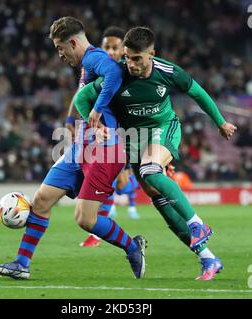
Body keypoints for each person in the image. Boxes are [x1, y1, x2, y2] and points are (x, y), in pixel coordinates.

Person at [0, 17, 146, 280]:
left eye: (61, 48)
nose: (60, 55)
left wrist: (97, 109)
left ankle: (132, 247)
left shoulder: (94, 58)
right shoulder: (87, 65)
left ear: (73, 42)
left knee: (85, 220)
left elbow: (115, 74)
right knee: (41, 200)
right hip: (80, 147)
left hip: (105, 148)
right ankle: (22, 263)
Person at [73, 27, 237, 280]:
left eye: (137, 58)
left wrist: (221, 123)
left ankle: (197, 223)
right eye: (127, 57)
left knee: (151, 171)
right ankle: (208, 258)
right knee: (158, 199)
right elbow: (82, 97)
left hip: (163, 128)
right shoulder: (117, 74)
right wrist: (95, 125)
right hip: (134, 140)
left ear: (152, 55)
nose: (131, 64)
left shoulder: (168, 72)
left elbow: (198, 93)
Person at [77, 26, 141, 248]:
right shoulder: (94, 69)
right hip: (102, 136)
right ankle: (97, 231)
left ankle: (140, 184)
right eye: (107, 47)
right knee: (107, 182)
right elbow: (80, 96)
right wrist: (70, 122)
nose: (111, 52)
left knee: (122, 184)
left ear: (123, 50)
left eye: (115, 48)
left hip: (123, 136)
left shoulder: (125, 73)